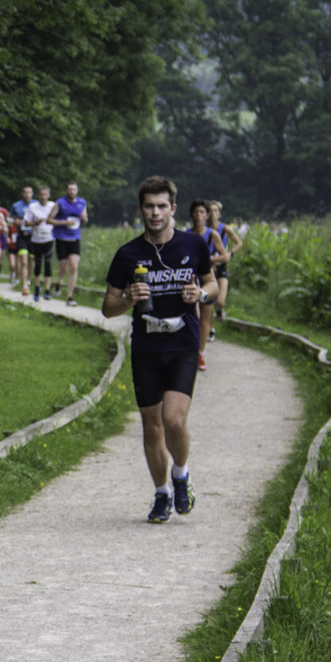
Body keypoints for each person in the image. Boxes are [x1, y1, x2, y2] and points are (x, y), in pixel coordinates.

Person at [100, 177, 219, 524]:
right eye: (149, 206)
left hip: (182, 344)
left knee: (174, 420)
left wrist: (200, 295)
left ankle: (181, 475)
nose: (155, 212)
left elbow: (211, 284)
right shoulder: (127, 254)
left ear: (173, 209)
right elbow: (108, 308)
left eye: (162, 206)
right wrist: (127, 298)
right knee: (152, 427)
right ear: (140, 210)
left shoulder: (193, 244)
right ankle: (161, 494)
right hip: (147, 348)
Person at [187, 199, 228, 370]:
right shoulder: (186, 234)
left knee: (204, 317)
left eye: (202, 212)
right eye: (196, 212)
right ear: (191, 215)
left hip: (208, 279)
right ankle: (191, 349)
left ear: (207, 215)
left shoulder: (213, 235)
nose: (198, 216)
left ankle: (201, 353)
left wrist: (209, 259)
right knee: (194, 316)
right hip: (191, 279)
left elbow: (224, 256)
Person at [51, 180, 89, 306]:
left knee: (74, 266)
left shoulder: (82, 202)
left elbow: (85, 219)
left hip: (75, 238)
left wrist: (84, 218)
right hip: (61, 238)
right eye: (70, 189)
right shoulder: (60, 203)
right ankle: (59, 281)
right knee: (63, 268)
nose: (72, 192)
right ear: (66, 190)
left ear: (77, 191)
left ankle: (69, 297)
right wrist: (64, 222)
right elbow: (49, 220)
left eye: (74, 189)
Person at [208, 200, 242, 322]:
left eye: (216, 211)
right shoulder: (204, 229)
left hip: (221, 266)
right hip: (208, 268)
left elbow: (239, 242)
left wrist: (230, 253)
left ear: (219, 213)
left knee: (220, 301)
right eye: (210, 211)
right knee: (208, 300)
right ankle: (209, 325)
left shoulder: (225, 229)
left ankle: (219, 309)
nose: (213, 213)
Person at [24, 183, 58, 301]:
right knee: (38, 265)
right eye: (41, 195)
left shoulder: (53, 206)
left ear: (49, 195)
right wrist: (35, 223)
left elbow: (59, 219)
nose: (43, 197)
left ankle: (47, 290)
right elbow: (26, 223)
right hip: (36, 239)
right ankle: (37, 288)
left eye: (45, 195)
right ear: (38, 196)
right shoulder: (32, 207)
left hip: (49, 238)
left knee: (48, 263)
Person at [10, 185, 34, 294]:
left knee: (31, 260)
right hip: (22, 236)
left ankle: (28, 278)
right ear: (22, 194)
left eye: (29, 192)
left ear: (32, 194)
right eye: (25, 192)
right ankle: (24, 285)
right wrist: (15, 222)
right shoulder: (16, 205)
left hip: (33, 236)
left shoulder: (36, 205)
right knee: (23, 260)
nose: (27, 195)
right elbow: (10, 219)